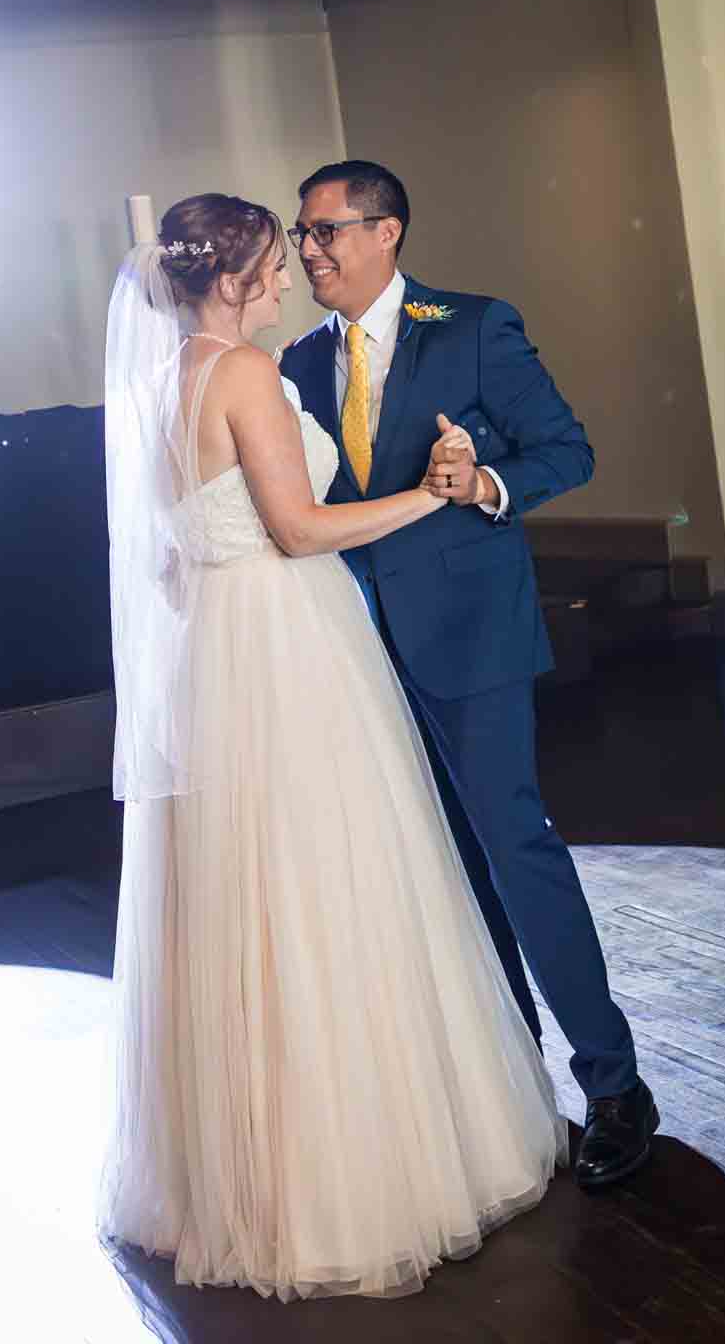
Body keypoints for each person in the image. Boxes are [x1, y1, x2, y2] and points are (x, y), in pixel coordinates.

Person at [98, 192, 567, 1302]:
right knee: (328, 886)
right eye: (270, 259)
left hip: (213, 652)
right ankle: (342, 1180)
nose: (285, 273)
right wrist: (427, 493)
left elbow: (175, 547)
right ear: (227, 276)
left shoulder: (157, 381)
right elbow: (298, 528)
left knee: (240, 900)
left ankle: (234, 1178)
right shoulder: (248, 372)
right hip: (285, 646)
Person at [278, 159, 658, 1192]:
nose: (310, 249)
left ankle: (613, 1082)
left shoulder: (475, 323)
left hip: (472, 641)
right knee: (437, 872)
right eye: (301, 232)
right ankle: (508, 1080)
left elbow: (565, 450)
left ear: (387, 229)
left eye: (328, 231)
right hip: (354, 656)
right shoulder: (296, 361)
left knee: (513, 852)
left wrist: (484, 479)